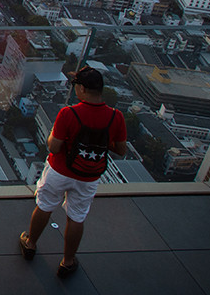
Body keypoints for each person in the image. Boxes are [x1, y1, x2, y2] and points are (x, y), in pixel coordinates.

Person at [20, 65, 127, 278]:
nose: (75, 89)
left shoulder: (69, 113)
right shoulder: (116, 117)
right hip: (88, 175)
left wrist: (53, 136)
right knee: (77, 217)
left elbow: (54, 147)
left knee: (45, 206)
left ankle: (30, 243)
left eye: (76, 85)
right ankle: (67, 261)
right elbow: (120, 150)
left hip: (60, 170)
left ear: (83, 89)